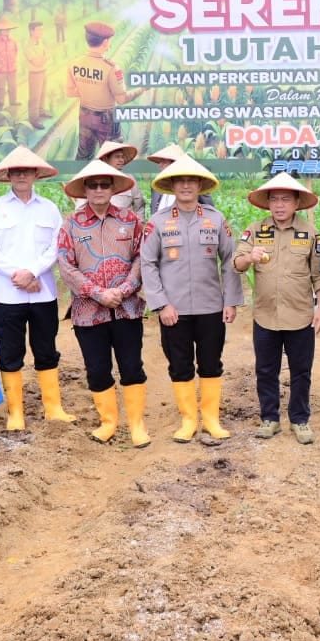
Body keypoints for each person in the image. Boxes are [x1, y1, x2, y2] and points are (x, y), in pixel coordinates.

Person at [140, 154, 241, 442]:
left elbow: (229, 260)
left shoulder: (215, 219)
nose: (185, 186)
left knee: (211, 362)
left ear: (200, 185)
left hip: (211, 306)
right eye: (180, 181)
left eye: (191, 181)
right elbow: (148, 263)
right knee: (180, 364)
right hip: (174, 309)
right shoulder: (157, 222)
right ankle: (188, 420)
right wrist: (160, 304)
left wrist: (230, 300)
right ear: (171, 186)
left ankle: (211, 419)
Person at [58, 158, 149, 447]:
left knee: (132, 366)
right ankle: (108, 422)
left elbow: (141, 257)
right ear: (85, 190)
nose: (98, 190)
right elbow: (66, 267)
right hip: (88, 312)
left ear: (112, 189)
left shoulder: (130, 220)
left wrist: (125, 288)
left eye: (104, 184)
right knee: (97, 369)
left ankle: (136, 424)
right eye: (92, 185)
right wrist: (98, 293)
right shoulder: (70, 225)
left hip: (127, 308)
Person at [0, 145, 69, 432]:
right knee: (9, 351)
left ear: (35, 174)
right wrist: (17, 273)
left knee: (46, 349)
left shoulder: (50, 209)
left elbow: (57, 246)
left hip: (42, 291)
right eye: (15, 171)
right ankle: (15, 412)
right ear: (7, 175)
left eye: (26, 171)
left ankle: (53, 408)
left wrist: (32, 272)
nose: (21, 175)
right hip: (7, 294)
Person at [234, 171, 320, 444]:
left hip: (300, 315)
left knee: (301, 370)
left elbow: (319, 275)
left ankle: (300, 419)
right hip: (265, 314)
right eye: (275, 200)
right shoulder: (255, 229)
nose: (280, 205)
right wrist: (250, 256)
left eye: (286, 199)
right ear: (268, 204)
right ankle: (269, 418)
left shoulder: (310, 233)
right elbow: (236, 262)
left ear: (297, 203)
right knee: (265, 369)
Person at [67, 20, 132, 159]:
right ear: (105, 42)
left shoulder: (74, 64)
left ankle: (79, 180)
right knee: (112, 158)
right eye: (109, 40)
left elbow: (70, 92)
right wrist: (141, 90)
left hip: (85, 115)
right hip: (106, 119)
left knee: (83, 156)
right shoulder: (111, 68)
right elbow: (121, 99)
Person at [78, 140, 144, 220]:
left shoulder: (129, 179)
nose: (121, 160)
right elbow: (80, 209)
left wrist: (139, 225)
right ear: (106, 158)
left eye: (122, 157)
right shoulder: (92, 179)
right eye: (117, 157)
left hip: (123, 228)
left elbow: (139, 206)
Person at [146, 144, 212, 214]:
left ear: (174, 163)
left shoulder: (193, 185)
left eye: (164, 162)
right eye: (160, 162)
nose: (160, 165)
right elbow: (154, 207)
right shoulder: (157, 184)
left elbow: (209, 209)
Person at [0, 19, 19, 114]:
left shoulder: (13, 41)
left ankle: (13, 101)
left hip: (12, 69)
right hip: (0, 70)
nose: (7, 31)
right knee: (0, 88)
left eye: (8, 29)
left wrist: (13, 61)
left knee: (13, 86)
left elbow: (16, 51)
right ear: (0, 30)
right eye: (4, 29)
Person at [25, 20, 49, 129]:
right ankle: (33, 119)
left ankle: (41, 111)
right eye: (39, 30)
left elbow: (48, 55)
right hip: (34, 74)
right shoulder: (27, 45)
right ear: (31, 31)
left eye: (42, 29)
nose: (41, 32)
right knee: (34, 97)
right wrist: (44, 58)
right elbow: (36, 62)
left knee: (42, 94)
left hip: (43, 71)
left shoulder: (41, 41)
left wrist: (43, 59)